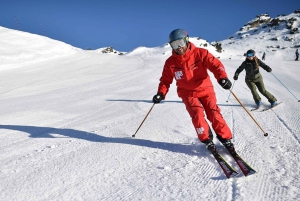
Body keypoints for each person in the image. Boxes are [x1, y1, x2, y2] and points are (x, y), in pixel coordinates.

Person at [152, 28, 234, 153]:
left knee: (214, 113)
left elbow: (215, 65)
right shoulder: (170, 62)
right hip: (187, 93)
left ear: (186, 40)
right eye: (174, 44)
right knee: (197, 115)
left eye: (180, 43)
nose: (178, 47)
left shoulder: (200, 53)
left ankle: (225, 138)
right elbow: (165, 80)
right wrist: (161, 93)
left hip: (205, 89)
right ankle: (206, 139)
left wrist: (222, 78)